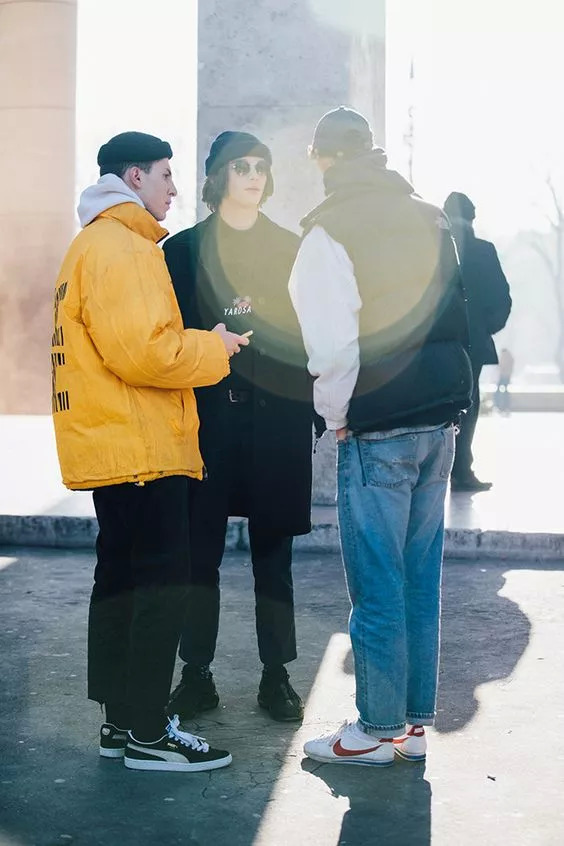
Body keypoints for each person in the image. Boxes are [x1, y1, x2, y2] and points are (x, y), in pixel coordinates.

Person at [51, 131, 249, 773]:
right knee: (161, 588)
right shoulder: (125, 247)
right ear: (134, 177)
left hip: (116, 447)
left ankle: (121, 723)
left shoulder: (90, 245)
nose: (174, 188)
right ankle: (148, 731)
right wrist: (214, 347)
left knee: (121, 583)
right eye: (166, 174)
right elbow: (146, 353)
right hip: (143, 449)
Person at [289, 107, 472, 766]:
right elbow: (457, 311)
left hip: (378, 425)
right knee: (420, 579)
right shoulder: (431, 216)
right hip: (439, 420)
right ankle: (412, 728)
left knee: (376, 583)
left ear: (323, 158)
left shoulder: (328, 231)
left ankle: (374, 729)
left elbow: (333, 345)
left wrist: (336, 414)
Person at [164, 131, 314, 723]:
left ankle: (276, 676)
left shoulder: (292, 249)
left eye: (261, 167)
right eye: (241, 166)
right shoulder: (182, 251)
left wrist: (312, 410)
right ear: (218, 176)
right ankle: (196, 674)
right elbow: (169, 338)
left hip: (276, 424)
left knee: (273, 558)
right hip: (204, 424)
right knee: (197, 556)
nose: (253, 176)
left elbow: (310, 336)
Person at [443, 192, 512, 491]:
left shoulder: (436, 251)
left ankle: (439, 470)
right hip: (473, 343)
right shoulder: (484, 251)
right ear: (472, 217)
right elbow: (502, 299)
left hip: (440, 343)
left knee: (439, 407)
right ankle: (462, 471)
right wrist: (484, 329)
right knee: (468, 406)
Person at [495, 347, 515, 414]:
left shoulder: (505, 357)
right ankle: (504, 406)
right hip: (506, 376)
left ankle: (500, 406)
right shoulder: (510, 358)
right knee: (504, 392)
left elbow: (501, 366)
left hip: (504, 376)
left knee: (499, 392)